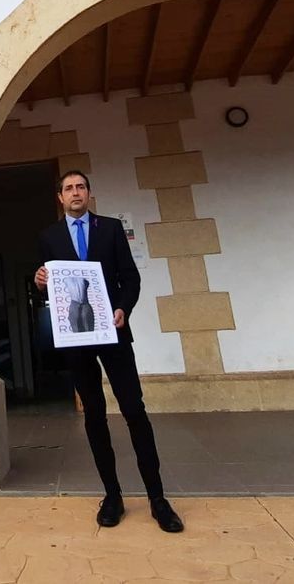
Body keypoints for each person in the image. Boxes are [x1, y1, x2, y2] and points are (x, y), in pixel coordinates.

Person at [34, 170, 184, 533]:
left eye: (81, 187)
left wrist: (123, 308)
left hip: (114, 333)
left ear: (89, 194)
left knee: (134, 410)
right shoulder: (49, 236)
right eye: (68, 188)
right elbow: (48, 288)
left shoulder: (111, 228)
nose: (75, 193)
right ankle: (112, 495)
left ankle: (158, 498)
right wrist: (40, 282)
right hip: (77, 338)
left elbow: (129, 278)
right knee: (94, 416)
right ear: (60, 197)